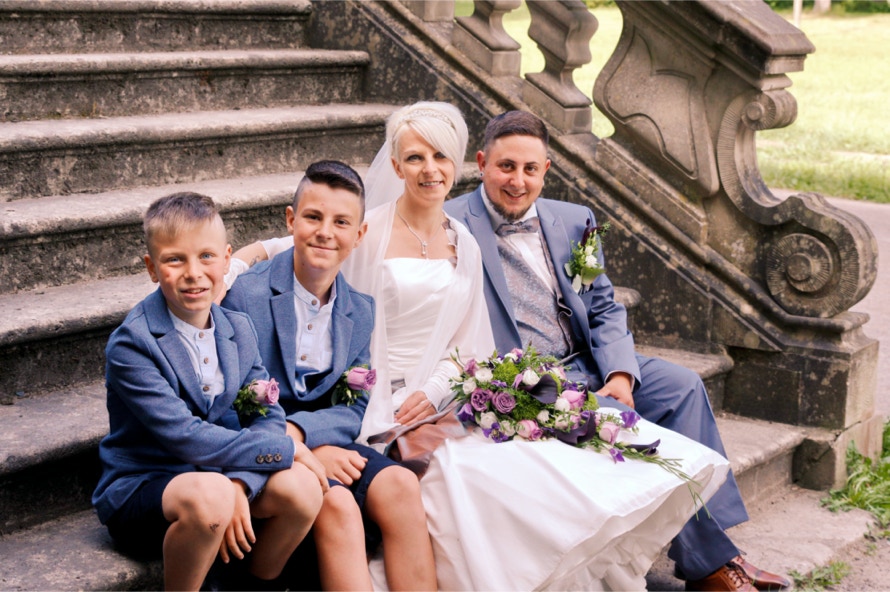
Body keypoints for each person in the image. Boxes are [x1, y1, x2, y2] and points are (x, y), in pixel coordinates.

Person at [230, 102, 736, 590]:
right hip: (372, 393)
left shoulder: (465, 243)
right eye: (415, 157)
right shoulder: (369, 229)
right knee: (478, 477)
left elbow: (468, 347)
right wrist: (232, 263)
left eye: (440, 156)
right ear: (397, 166)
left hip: (439, 395)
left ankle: (710, 561)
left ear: (458, 164)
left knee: (545, 466)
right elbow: (315, 240)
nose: (430, 169)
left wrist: (435, 391)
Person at [444, 110, 792, 592]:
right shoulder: (451, 224)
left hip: (587, 361)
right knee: (612, 420)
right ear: (482, 163)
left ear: (546, 170)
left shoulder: (574, 220)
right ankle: (714, 565)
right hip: (526, 380)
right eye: (506, 166)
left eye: (530, 169)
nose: (517, 181)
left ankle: (711, 558)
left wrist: (621, 374)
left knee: (683, 387)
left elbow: (603, 306)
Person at [92, 192, 326, 591]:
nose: (193, 273)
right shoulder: (133, 343)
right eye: (174, 260)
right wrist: (286, 448)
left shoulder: (238, 328)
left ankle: (254, 585)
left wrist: (240, 482)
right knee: (214, 495)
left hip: (218, 476)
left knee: (303, 489)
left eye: (206, 256)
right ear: (152, 268)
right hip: (149, 485)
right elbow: (185, 435)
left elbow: (266, 415)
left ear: (227, 258)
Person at [223, 161, 436, 590]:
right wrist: (297, 449)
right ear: (291, 220)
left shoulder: (360, 310)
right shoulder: (246, 295)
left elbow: (352, 406)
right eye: (313, 217)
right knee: (336, 502)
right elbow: (232, 400)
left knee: (400, 483)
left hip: (320, 438)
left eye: (341, 222)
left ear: (359, 235)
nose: (325, 232)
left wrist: (307, 437)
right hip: (259, 443)